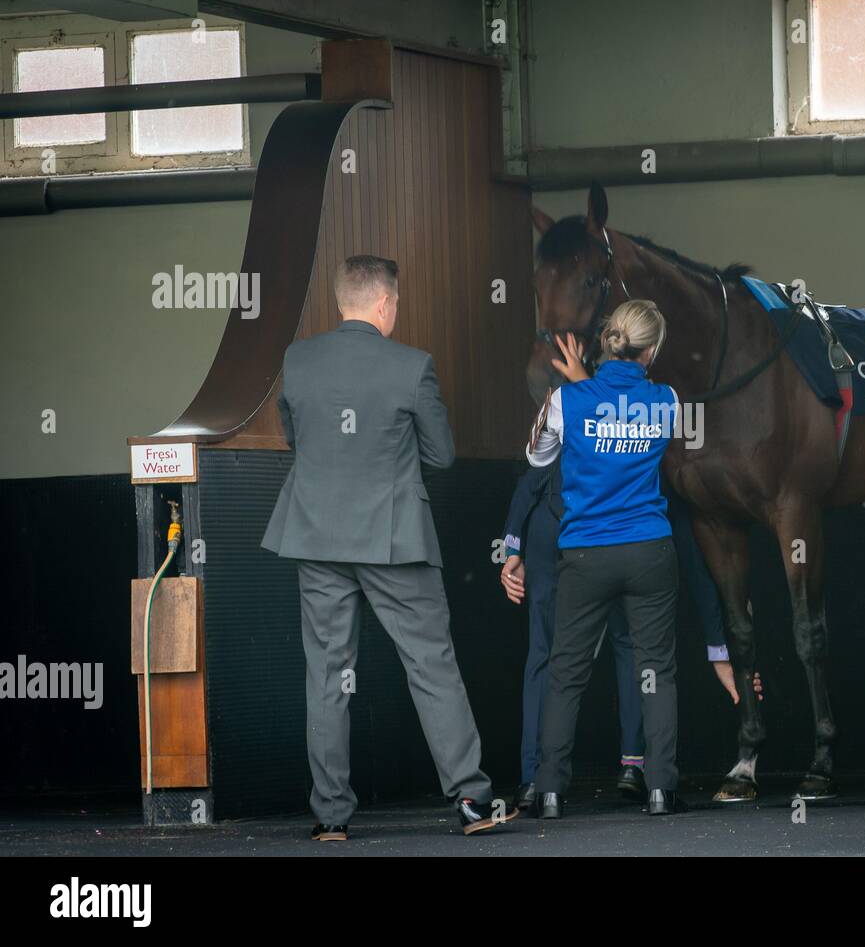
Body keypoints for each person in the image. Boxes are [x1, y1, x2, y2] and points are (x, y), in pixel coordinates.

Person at [261, 254, 515, 839]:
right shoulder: (412, 367)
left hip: (317, 535)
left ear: (341, 301)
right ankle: (473, 801)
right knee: (431, 666)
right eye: (396, 302)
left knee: (327, 675)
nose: (396, 309)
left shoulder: (298, 361)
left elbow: (296, 437)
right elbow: (442, 454)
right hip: (394, 538)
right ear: (383, 304)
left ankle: (330, 816)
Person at [499, 456, 746, 813]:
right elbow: (690, 547)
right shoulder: (657, 406)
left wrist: (511, 544)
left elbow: (535, 474)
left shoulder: (572, 401)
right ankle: (638, 769)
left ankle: (539, 783)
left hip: (561, 527)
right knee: (639, 653)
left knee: (550, 658)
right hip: (635, 540)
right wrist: (719, 646)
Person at [524, 299, 686, 818]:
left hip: (586, 551)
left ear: (609, 340)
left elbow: (537, 458)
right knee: (656, 670)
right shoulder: (670, 400)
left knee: (566, 671)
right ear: (653, 349)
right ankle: (660, 787)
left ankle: (549, 790)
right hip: (649, 550)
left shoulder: (565, 400)